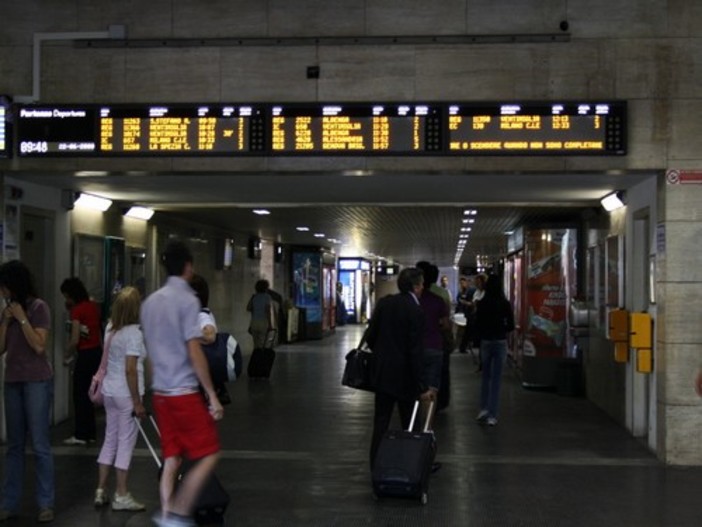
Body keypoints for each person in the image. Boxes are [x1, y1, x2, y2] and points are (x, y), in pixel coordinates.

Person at [140, 240, 224, 527]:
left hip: (160, 393)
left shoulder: (150, 302)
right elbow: (194, 349)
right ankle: (177, 511)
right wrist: (212, 394)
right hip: (183, 393)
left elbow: (149, 352)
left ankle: (165, 515)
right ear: (188, 267)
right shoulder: (188, 300)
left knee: (172, 458)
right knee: (209, 453)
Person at [0, 260, 55, 523]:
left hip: (36, 381)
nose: (2, 293)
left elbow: (39, 346)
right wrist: (5, 321)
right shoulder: (6, 313)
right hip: (12, 380)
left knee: (40, 444)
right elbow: (1, 348)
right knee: (14, 445)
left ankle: (45, 503)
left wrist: (22, 318)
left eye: (4, 287)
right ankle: (8, 503)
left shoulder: (39, 307)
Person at [365, 267, 435, 469]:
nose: (422, 289)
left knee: (381, 422)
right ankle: (411, 464)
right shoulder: (416, 311)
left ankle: (376, 466)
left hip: (383, 374)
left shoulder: (385, 303)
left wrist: (384, 354)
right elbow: (415, 352)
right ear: (415, 286)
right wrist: (422, 386)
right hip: (406, 378)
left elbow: (370, 337)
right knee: (411, 423)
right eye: (421, 285)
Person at [93, 286, 147, 512]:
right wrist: (137, 401)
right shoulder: (134, 333)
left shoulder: (110, 328)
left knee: (110, 440)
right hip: (126, 395)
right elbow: (131, 370)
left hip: (109, 392)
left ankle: (100, 490)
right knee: (125, 444)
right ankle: (121, 494)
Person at [60, 277, 102, 445]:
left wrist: (67, 353)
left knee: (80, 394)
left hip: (84, 355)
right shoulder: (93, 307)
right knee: (91, 394)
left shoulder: (77, 310)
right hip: (96, 353)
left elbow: (75, 338)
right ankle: (90, 432)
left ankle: (81, 434)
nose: (66, 300)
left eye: (66, 296)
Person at [475, 275, 515, 427]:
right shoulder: (505, 304)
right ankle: (492, 414)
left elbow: (477, 324)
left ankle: (483, 408)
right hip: (500, 341)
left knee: (486, 376)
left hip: (486, 341)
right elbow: (510, 326)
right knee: (497, 379)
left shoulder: (483, 303)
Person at [246, 279, 273, 349]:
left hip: (254, 323)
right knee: (263, 343)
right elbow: (268, 311)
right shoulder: (267, 297)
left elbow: (248, 308)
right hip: (263, 323)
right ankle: (262, 358)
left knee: (256, 344)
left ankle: (256, 358)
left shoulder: (254, 297)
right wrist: (270, 324)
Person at [455, 276, 477, 357]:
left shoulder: (471, 291)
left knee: (467, 331)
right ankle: (461, 346)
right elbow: (458, 301)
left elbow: (472, 302)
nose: (462, 284)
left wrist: (465, 303)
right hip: (463, 313)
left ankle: (463, 346)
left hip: (469, 313)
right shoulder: (460, 292)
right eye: (460, 283)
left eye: (463, 283)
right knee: (463, 331)